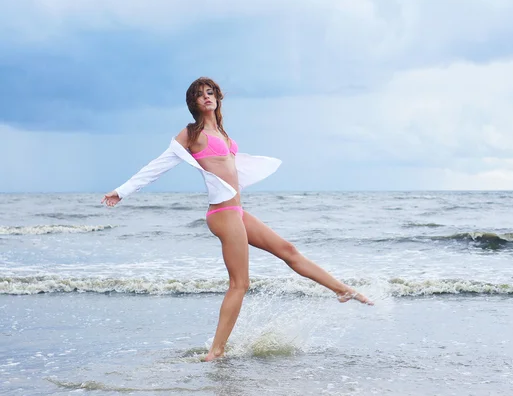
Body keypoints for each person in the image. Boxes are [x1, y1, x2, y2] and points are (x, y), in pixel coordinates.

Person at [101, 77, 373, 361]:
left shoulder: (222, 133)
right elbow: (158, 165)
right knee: (239, 284)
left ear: (218, 98)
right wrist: (122, 191)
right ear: (192, 103)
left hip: (237, 211)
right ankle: (215, 352)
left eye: (210, 92)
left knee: (288, 250)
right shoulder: (190, 134)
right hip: (221, 213)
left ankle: (342, 291)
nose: (206, 97)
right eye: (199, 94)